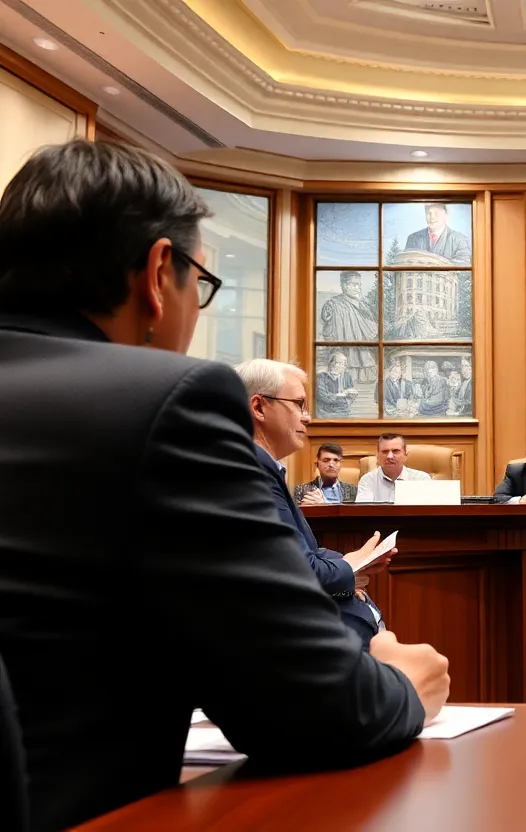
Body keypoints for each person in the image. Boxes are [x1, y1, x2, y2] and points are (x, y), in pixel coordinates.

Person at [0, 139, 449, 831]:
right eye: (201, 284)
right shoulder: (163, 402)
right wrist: (402, 685)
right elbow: (317, 708)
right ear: (158, 274)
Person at [236, 359, 391, 649]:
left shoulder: (262, 467)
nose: (307, 417)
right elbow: (297, 570)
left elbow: (304, 551)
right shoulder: (251, 472)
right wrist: (348, 571)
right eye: (298, 404)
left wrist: (350, 562)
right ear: (259, 407)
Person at [356, 433, 432, 502]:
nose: (389, 456)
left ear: (405, 455)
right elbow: (365, 511)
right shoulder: (367, 481)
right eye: (385, 452)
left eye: (395, 451)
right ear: (378, 456)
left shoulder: (421, 479)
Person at [404, 203, 472, 265]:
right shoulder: (413, 238)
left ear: (446, 214)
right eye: (428, 213)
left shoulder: (460, 240)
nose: (432, 217)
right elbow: (405, 265)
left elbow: (463, 270)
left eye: (437, 213)